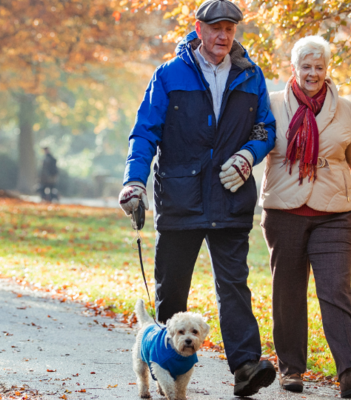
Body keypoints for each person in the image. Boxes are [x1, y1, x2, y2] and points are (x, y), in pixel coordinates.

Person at [118, 0, 277, 396]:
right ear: (199, 28)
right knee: (171, 288)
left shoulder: (250, 75)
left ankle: (245, 368)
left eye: (230, 29)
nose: (223, 36)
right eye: (216, 28)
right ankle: (165, 365)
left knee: (234, 286)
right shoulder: (169, 75)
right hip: (179, 197)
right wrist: (134, 182)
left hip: (230, 197)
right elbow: (144, 133)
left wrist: (247, 157)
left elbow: (265, 129)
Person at [259, 36, 351, 398]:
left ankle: (348, 372)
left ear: (327, 70)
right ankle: (292, 369)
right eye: (306, 66)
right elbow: (254, 144)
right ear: (294, 68)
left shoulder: (346, 109)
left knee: (336, 291)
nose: (313, 73)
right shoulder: (271, 105)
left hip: (335, 213)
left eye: (319, 67)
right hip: (284, 211)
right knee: (288, 292)